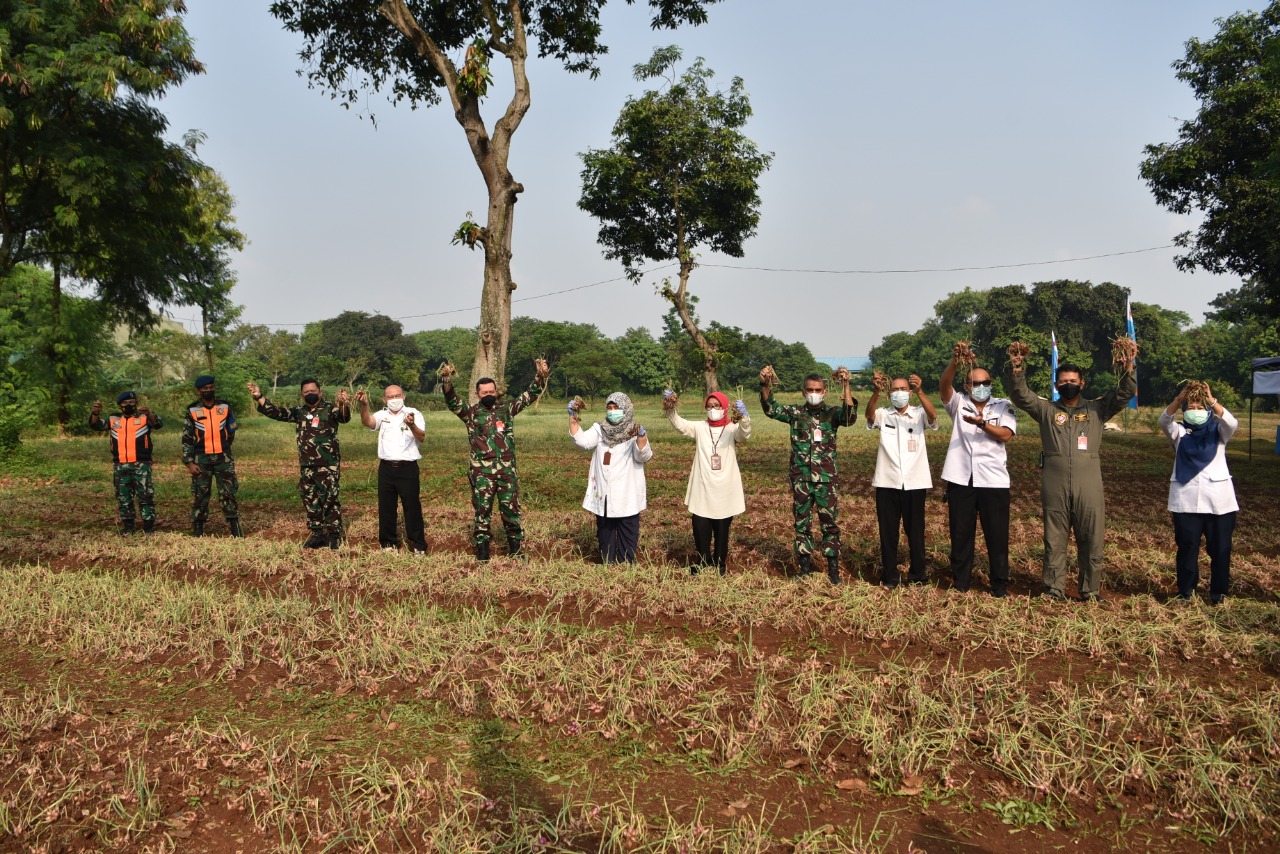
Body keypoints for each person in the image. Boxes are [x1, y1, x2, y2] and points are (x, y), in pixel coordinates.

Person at [1007, 347, 1136, 602]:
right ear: (1056, 384)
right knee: (1054, 537)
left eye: (1073, 382)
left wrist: (1127, 369)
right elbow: (1021, 396)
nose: (1068, 385)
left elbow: (1124, 394)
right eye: (1064, 382)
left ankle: (1090, 590)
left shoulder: (1098, 410)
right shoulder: (1046, 410)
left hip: (1089, 482)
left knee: (1092, 536)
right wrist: (1017, 369)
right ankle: (1054, 589)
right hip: (1054, 482)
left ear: (1082, 383)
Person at [443, 359, 550, 561]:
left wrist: (539, 376)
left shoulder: (506, 410)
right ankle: (483, 552)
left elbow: (529, 396)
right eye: (484, 393)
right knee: (482, 512)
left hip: (506, 472)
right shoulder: (471, 414)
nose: (489, 395)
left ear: (495, 391)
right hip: (482, 473)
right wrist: (447, 380)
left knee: (511, 510)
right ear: (477, 394)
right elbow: (451, 401)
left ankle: (515, 551)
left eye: (491, 391)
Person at [760, 367, 857, 584]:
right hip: (802, 479)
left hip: (825, 481)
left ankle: (833, 571)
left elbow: (850, 417)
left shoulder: (832, 414)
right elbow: (770, 409)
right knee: (802, 524)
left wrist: (846, 385)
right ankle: (804, 568)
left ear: (825, 392)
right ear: (804, 392)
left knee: (829, 524)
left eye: (818, 390)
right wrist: (766, 384)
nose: (814, 393)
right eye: (810, 390)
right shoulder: (796, 414)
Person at [939, 349, 1017, 596]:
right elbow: (944, 384)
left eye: (985, 383)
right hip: (961, 478)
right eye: (975, 383)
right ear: (967, 385)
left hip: (993, 480)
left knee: (997, 535)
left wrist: (982, 423)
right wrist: (956, 360)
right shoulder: (959, 403)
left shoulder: (1003, 406)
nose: (981, 386)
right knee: (961, 535)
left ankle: (999, 585)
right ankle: (961, 582)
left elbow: (1006, 434)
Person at [1159, 383, 1238, 605]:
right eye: (1190, 407)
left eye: (1200, 407)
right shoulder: (1179, 431)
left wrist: (1212, 400)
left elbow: (1231, 422)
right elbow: (1163, 421)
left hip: (1219, 503)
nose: (1195, 410)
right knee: (1187, 548)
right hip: (1186, 502)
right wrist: (1178, 399)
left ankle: (1218, 593)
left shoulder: (1219, 431)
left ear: (1209, 411)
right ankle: (1186, 591)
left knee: (1221, 549)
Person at [250, 379, 351, 549]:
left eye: (313, 391)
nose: (310, 394)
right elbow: (276, 412)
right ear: (302, 394)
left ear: (320, 392)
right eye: (306, 392)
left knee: (330, 498)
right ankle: (317, 533)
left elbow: (344, 417)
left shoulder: (331, 409)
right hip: (306, 465)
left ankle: (334, 535)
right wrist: (259, 396)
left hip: (328, 464)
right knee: (310, 498)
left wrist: (343, 404)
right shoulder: (299, 412)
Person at [662, 390, 751, 575]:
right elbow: (681, 425)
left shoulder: (731, 428)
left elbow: (744, 434)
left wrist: (744, 417)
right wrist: (670, 408)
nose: (713, 409)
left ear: (725, 408)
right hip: (702, 486)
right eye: (709, 406)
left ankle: (720, 563)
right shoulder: (700, 427)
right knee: (700, 526)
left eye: (717, 405)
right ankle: (702, 560)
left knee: (721, 528)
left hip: (725, 487)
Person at [864, 373, 938, 588]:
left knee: (915, 531)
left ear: (910, 392)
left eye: (903, 389)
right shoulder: (883, 414)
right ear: (889, 394)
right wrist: (875, 392)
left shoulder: (918, 414)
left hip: (915, 482)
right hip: (887, 482)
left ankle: (918, 575)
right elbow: (869, 416)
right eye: (895, 390)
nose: (899, 393)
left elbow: (932, 416)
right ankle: (890, 576)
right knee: (888, 533)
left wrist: (922, 392)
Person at [570, 391, 652, 564]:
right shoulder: (599, 430)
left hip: (627, 493)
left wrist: (642, 438)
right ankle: (608, 564)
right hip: (604, 492)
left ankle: (625, 565)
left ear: (626, 409)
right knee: (605, 531)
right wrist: (573, 419)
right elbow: (583, 442)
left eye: (617, 408)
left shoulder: (634, 432)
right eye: (609, 408)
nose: (612, 411)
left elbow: (642, 456)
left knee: (628, 531)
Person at [358, 384, 428, 554]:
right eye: (390, 397)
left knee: (412, 507)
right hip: (387, 468)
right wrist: (364, 405)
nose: (394, 399)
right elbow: (367, 422)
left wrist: (411, 425)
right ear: (384, 399)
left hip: (408, 468)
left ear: (403, 396)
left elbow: (422, 436)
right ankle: (388, 544)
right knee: (386, 508)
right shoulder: (382, 415)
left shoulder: (414, 413)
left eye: (397, 395)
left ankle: (417, 544)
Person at [89, 391, 163, 535]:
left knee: (145, 495)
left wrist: (150, 414)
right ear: (120, 405)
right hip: (120, 464)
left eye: (132, 402)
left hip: (141, 464)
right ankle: (128, 525)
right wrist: (95, 413)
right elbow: (96, 425)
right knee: (123, 496)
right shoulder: (113, 419)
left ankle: (148, 526)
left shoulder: (143, 417)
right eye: (125, 403)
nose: (128, 405)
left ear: (136, 403)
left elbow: (158, 424)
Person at [181, 374, 243, 537]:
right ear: (198, 391)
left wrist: (225, 448)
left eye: (211, 387)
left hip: (224, 458)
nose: (208, 390)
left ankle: (235, 527)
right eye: (205, 388)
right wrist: (189, 461)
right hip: (201, 459)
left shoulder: (225, 406)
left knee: (228, 493)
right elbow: (187, 438)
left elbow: (231, 432)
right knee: (200, 494)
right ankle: (198, 529)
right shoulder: (192, 410)